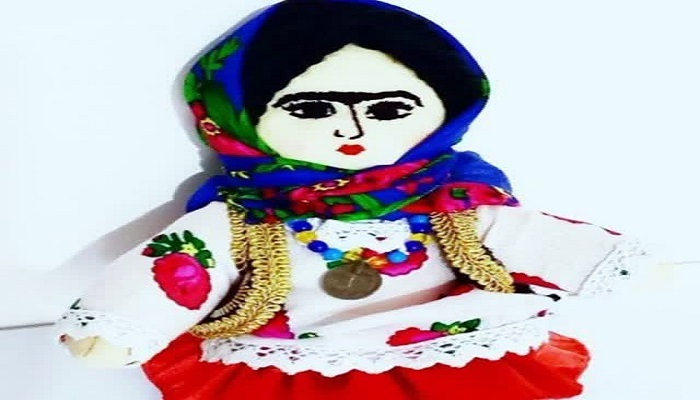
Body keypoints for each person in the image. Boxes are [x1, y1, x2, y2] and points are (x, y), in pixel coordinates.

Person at [57, 1, 652, 399]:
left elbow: (531, 237)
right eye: (313, 109)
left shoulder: (457, 200)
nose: (351, 128)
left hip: (453, 349)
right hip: (293, 362)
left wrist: (623, 266)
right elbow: (184, 262)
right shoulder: (243, 215)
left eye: (389, 109)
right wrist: (121, 324)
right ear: (237, 115)